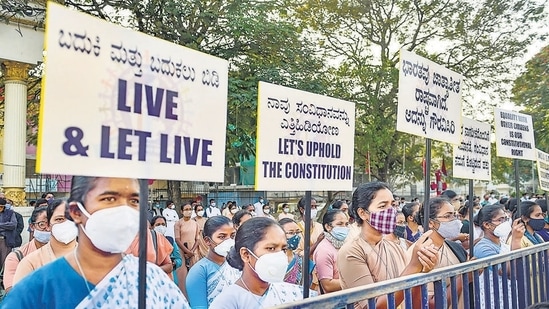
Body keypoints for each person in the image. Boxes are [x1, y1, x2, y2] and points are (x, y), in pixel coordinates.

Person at [2, 176, 189, 308]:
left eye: (134, 201)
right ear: (76, 212)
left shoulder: (153, 281)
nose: (124, 211)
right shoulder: (36, 290)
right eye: (109, 198)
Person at [337, 182, 440, 308]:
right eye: (382, 206)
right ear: (362, 213)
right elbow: (372, 306)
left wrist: (422, 270)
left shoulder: (396, 248)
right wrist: (413, 266)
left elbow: (413, 302)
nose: (391, 211)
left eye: (392, 204)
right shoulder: (352, 251)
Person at [210, 217, 316, 308]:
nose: (279, 256)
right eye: (271, 248)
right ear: (246, 255)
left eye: (283, 249)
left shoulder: (292, 293)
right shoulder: (227, 302)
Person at [414, 197, 468, 308]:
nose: (455, 220)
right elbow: (429, 303)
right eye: (448, 216)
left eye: (454, 215)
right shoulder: (422, 253)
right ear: (430, 223)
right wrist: (465, 277)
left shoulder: (453, 247)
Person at [13, 199, 79, 285]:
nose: (66, 224)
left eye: (71, 219)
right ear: (48, 225)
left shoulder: (94, 260)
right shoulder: (30, 263)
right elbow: (19, 296)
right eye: (59, 219)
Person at [474, 204, 523, 308]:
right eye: (500, 220)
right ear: (487, 225)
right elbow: (507, 272)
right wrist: (516, 240)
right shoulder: (482, 247)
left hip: (508, 296)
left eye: (505, 219)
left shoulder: (502, 244)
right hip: (494, 299)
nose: (504, 223)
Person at [186, 216, 240, 308]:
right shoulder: (199, 271)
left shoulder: (237, 265)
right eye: (222, 237)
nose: (229, 241)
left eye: (232, 236)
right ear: (207, 241)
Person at [3, 207, 49, 292]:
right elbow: (12, 291)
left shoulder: (71, 253)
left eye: (51, 224)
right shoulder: (17, 257)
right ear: (32, 226)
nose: (48, 229)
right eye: (42, 224)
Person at [313, 209, 349, 294]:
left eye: (346, 224)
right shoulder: (324, 250)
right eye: (340, 224)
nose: (344, 227)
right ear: (328, 227)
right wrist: (355, 281)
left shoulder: (344, 245)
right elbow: (328, 285)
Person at [279, 218, 314, 287]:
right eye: (291, 233)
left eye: (298, 232)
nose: (296, 236)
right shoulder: (273, 260)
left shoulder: (302, 261)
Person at [150, 215, 183, 285]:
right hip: (154, 278)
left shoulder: (170, 240)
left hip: (170, 277)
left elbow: (179, 260)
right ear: (152, 227)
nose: (161, 227)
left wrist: (173, 263)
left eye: (163, 224)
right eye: (158, 225)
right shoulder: (149, 242)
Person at [0, 198, 17, 268]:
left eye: (1, 207)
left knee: (4, 260)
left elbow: (13, 225)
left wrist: (0, 225)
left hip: (5, 240)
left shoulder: (10, 213)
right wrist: (5, 226)